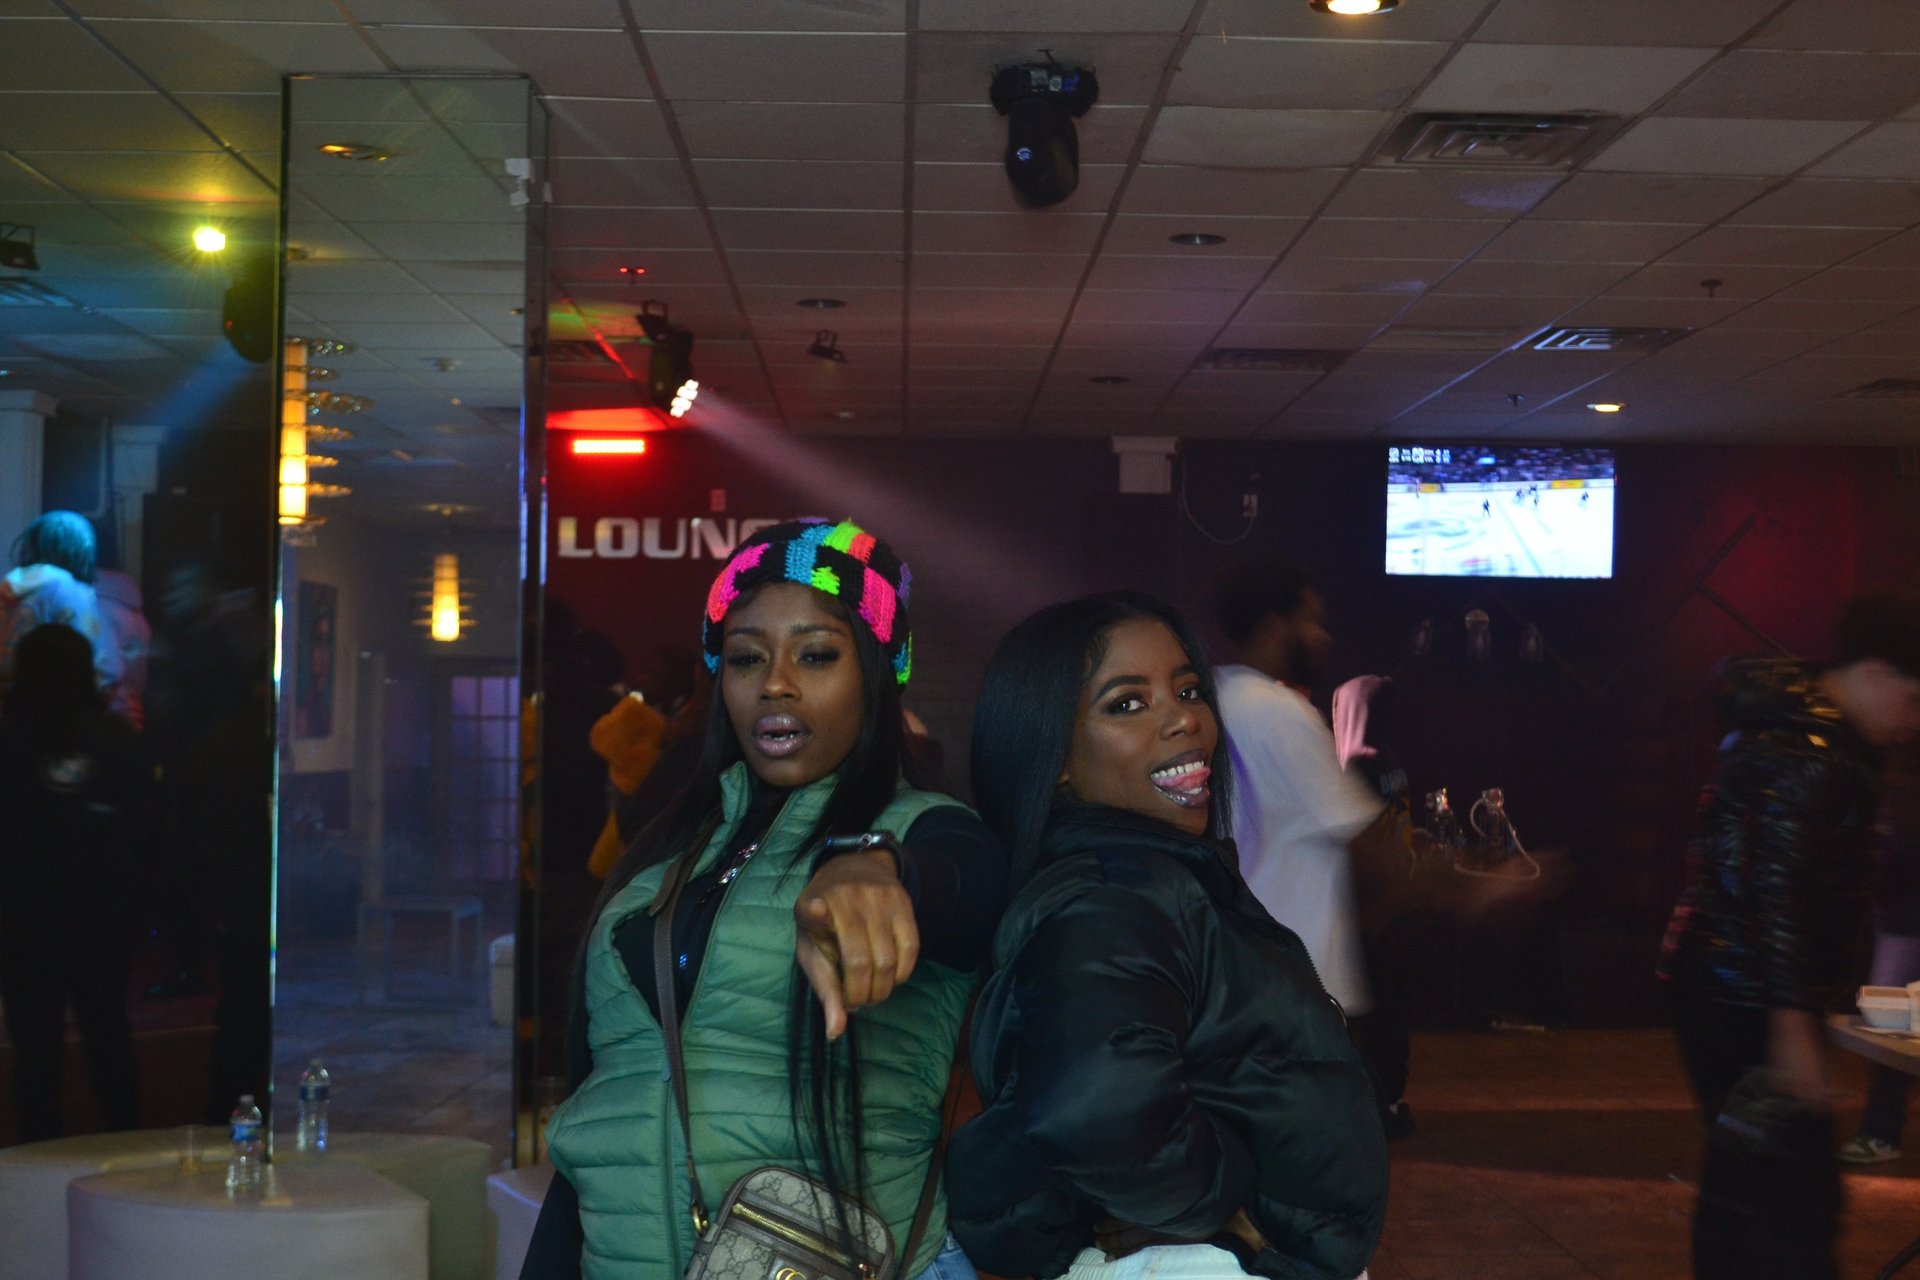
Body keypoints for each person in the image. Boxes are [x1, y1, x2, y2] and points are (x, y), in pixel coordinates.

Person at [522, 519, 1008, 1280]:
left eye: (816, 655)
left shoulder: (926, 830)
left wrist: (879, 870)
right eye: (747, 658)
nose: (776, 682)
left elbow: (969, 887)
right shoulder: (667, 853)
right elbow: (601, 1116)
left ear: (878, 674)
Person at [947, 591, 1387, 1280]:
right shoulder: (1110, 896)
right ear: (1053, 754)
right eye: (1127, 703)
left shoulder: (1151, 877)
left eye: (1187, 689)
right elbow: (1095, 1105)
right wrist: (1225, 1216)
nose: (1182, 717)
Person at [1659, 591, 1920, 1280]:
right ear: (1877, 674)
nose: (1913, 722)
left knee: (1756, 1190)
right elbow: (1774, 891)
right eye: (1914, 700)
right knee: (1784, 1207)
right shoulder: (1810, 748)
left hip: (1730, 989)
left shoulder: (1811, 731)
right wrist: (1792, 1020)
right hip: (1743, 999)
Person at [1201, 556, 1388, 1022]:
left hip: (1234, 982)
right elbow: (1369, 845)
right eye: (1311, 621)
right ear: (1273, 627)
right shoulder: (1281, 712)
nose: (1323, 637)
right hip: (1294, 992)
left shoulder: (1206, 703)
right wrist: (1477, 891)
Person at [0, 623, 153, 1140]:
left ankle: (36, 1162)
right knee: (109, 1036)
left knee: (35, 1050)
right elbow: (146, 830)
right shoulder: (115, 739)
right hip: (101, 916)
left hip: (26, 920)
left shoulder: (10, 741)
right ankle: (125, 1152)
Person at [1840, 745, 1920, 1164]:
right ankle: (1880, 1129)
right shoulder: (1893, 767)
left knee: (1892, 1026)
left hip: (1901, 916)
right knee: (1889, 1028)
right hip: (1899, 916)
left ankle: (1880, 1129)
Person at [0, 510, 122, 699]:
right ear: (81, 549)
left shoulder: (10, 587)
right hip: (52, 710)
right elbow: (94, 660)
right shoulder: (69, 590)